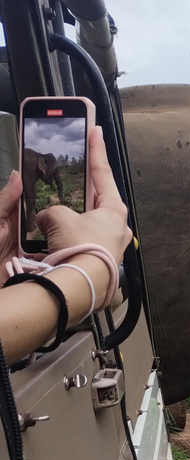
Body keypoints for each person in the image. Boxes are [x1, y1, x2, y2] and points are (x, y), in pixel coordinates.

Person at [0, 126, 132, 364]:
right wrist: (88, 273)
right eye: (56, 172)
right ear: (43, 167)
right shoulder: (32, 164)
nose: (57, 176)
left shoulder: (33, 161)